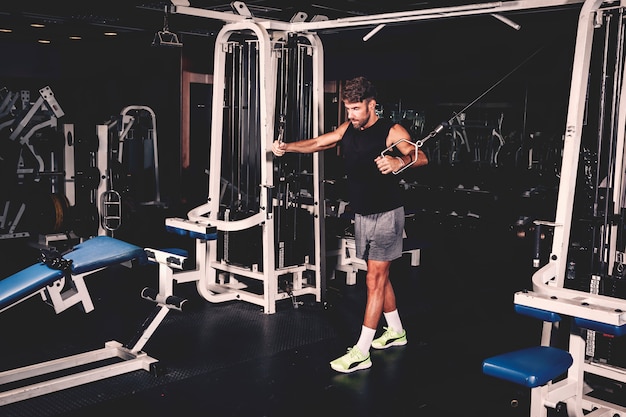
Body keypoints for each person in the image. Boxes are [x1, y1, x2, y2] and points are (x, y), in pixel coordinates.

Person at [272, 76, 428, 373]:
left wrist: (398, 163)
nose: (351, 114)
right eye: (348, 109)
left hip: (386, 214)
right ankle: (396, 331)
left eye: (356, 108)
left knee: (374, 280)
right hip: (363, 213)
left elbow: (419, 156)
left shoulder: (391, 130)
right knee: (378, 275)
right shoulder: (349, 128)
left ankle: (361, 351)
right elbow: (319, 142)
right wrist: (287, 147)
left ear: (372, 104)